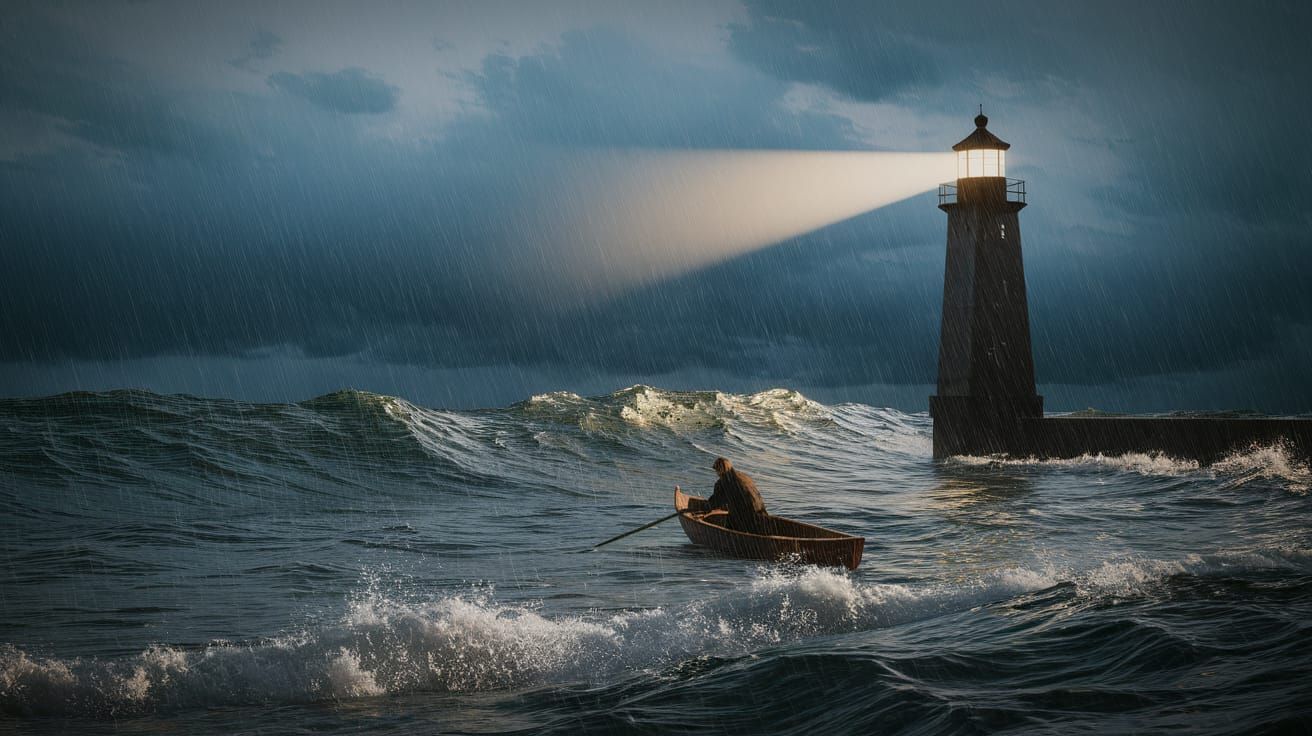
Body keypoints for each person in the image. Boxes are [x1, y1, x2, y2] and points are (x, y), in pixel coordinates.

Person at [688, 457, 771, 534]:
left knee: (729, 523)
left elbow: (714, 504)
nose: (717, 474)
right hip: (761, 515)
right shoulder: (745, 477)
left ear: (720, 471)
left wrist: (700, 509)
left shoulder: (723, 483)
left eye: (716, 471)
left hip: (746, 519)